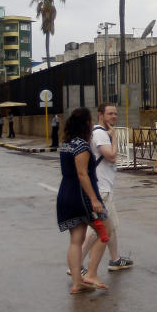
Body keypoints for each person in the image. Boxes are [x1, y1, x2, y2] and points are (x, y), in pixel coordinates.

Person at [57, 108, 110, 293]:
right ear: (86, 124)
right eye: (90, 121)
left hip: (66, 193)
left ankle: (77, 283)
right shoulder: (81, 145)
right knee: (106, 232)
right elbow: (82, 173)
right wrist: (94, 199)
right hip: (82, 197)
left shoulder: (67, 143)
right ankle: (91, 274)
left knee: (76, 240)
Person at [80, 103, 134, 273]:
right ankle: (76, 264)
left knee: (111, 225)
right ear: (100, 115)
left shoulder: (99, 133)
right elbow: (110, 156)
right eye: (110, 114)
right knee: (97, 228)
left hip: (105, 187)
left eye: (115, 114)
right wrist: (115, 137)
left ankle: (115, 259)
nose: (113, 117)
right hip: (101, 188)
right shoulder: (101, 134)